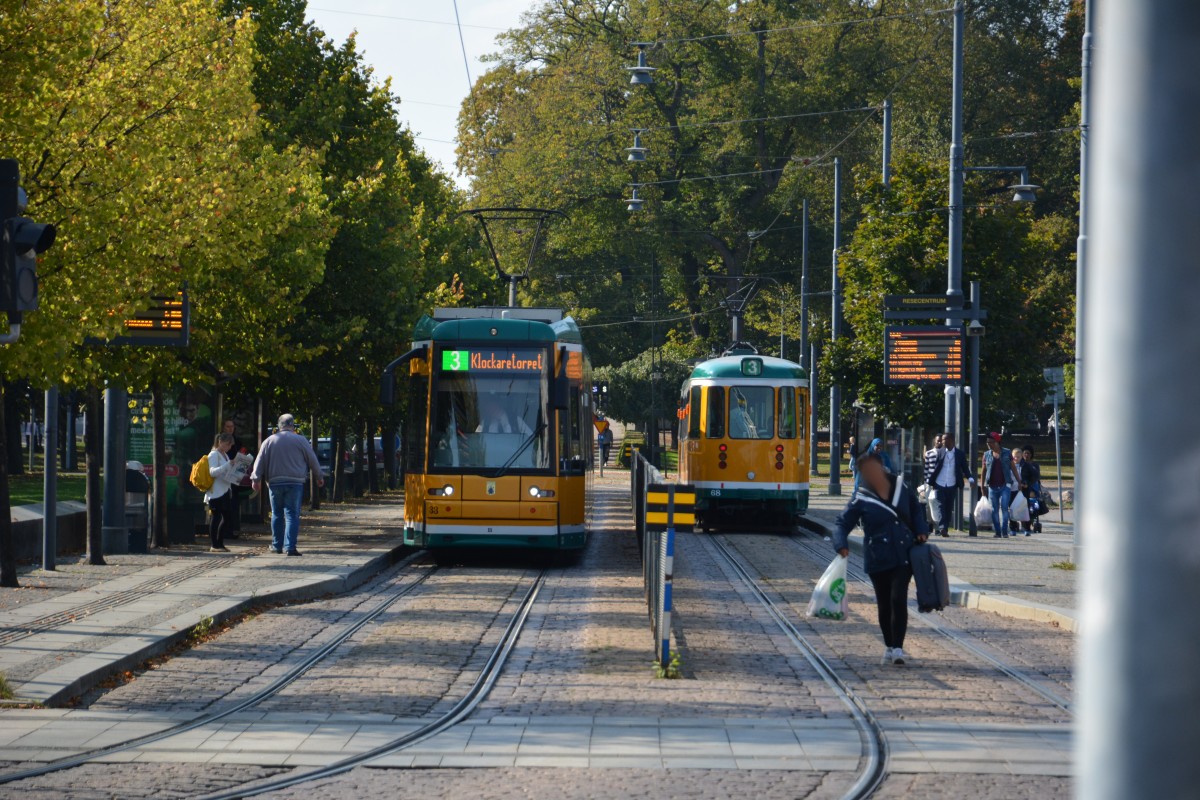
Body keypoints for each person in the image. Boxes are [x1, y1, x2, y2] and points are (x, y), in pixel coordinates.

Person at [833, 451, 929, 666]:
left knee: (898, 599)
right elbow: (842, 523)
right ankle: (888, 644)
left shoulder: (901, 487)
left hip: (903, 553)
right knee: (884, 603)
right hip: (877, 556)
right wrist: (841, 543)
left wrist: (921, 530)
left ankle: (898, 648)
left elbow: (915, 510)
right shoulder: (862, 496)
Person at [251, 414, 324, 556]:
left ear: (279, 425)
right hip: (295, 482)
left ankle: (276, 545)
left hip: (275, 481)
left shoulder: (269, 441)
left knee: (277, 514)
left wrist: (256, 479)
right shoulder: (301, 440)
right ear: (292, 425)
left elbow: (259, 461)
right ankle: (290, 547)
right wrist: (319, 476)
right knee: (292, 514)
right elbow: (312, 459)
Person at [927, 432, 975, 537]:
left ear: (951, 440)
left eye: (945, 439)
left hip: (952, 484)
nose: (942, 441)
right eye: (942, 439)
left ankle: (945, 526)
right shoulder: (940, 452)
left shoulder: (959, 454)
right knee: (940, 506)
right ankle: (942, 528)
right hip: (939, 483)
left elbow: (965, 468)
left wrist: (970, 479)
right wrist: (930, 481)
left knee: (948, 507)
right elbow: (935, 468)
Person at [204, 433, 240, 553]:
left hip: (225, 490)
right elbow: (213, 472)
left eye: (230, 445)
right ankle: (214, 544)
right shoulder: (214, 454)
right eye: (228, 444)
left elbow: (226, 469)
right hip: (215, 492)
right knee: (216, 517)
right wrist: (228, 464)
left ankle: (220, 543)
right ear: (220, 442)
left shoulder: (224, 454)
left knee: (227, 517)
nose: (229, 447)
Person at [980, 432, 1017, 538]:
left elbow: (1013, 468)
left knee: (1005, 508)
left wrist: (1019, 481)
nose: (988, 444)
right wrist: (982, 486)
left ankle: (1004, 531)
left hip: (1005, 485)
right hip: (992, 486)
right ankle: (997, 531)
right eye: (987, 443)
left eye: (991, 442)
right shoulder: (986, 454)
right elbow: (983, 471)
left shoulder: (1007, 452)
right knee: (994, 509)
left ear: (997, 442)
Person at [222, 419, 245, 538]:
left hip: (235, 476)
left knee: (234, 502)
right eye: (228, 426)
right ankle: (226, 530)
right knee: (225, 503)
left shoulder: (237, 441)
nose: (230, 429)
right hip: (224, 475)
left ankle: (232, 528)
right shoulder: (221, 441)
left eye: (232, 426)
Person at [1017, 445, 1043, 535]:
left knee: (1034, 487)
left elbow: (1036, 477)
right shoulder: (1020, 464)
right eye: (1025, 453)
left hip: (1031, 486)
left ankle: (1028, 522)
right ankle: (1023, 523)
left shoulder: (1034, 465)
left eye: (1028, 453)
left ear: (1031, 455)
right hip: (1022, 487)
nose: (1026, 455)